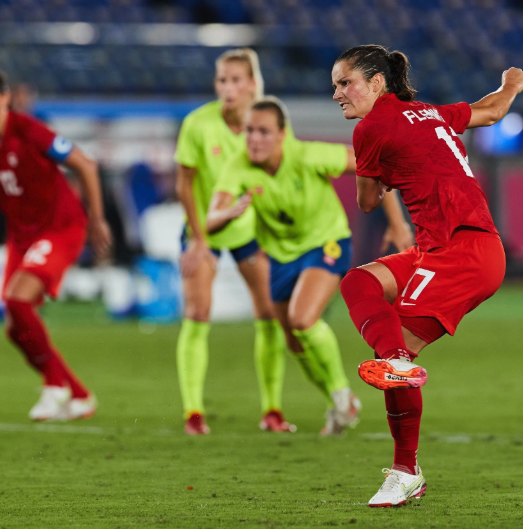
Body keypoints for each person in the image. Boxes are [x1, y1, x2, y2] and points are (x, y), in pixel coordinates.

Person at [331, 45, 523, 507]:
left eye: (345, 83)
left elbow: (366, 202)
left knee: (395, 361)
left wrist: (382, 173)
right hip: (440, 247)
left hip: (463, 253)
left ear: (376, 83)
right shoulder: (429, 112)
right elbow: (491, 111)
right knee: (358, 282)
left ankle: (406, 472)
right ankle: (397, 361)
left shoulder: (370, 128)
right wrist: (512, 84)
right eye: (335, 85)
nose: (337, 93)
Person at [206, 97, 413, 435]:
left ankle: (342, 395)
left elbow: (372, 165)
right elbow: (210, 219)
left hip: (326, 243)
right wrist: (228, 213)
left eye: (263, 131)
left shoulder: (308, 155)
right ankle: (340, 401)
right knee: (294, 341)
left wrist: (397, 222)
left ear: (282, 134)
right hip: (281, 257)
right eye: (249, 131)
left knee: (302, 319)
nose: (254, 139)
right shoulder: (238, 166)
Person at [0, 67, 113, 421]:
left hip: (60, 227)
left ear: (5, 99)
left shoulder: (30, 130)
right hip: (22, 235)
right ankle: (78, 394)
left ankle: (54, 385)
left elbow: (85, 164)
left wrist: (98, 218)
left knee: (17, 299)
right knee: (15, 328)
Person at [174, 48, 293, 435]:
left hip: (250, 232)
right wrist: (198, 239)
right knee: (198, 313)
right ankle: (193, 412)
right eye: (222, 80)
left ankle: (272, 409)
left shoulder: (268, 126)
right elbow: (184, 185)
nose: (227, 87)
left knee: (269, 314)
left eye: (235, 80)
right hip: (204, 229)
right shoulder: (197, 124)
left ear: (253, 84)